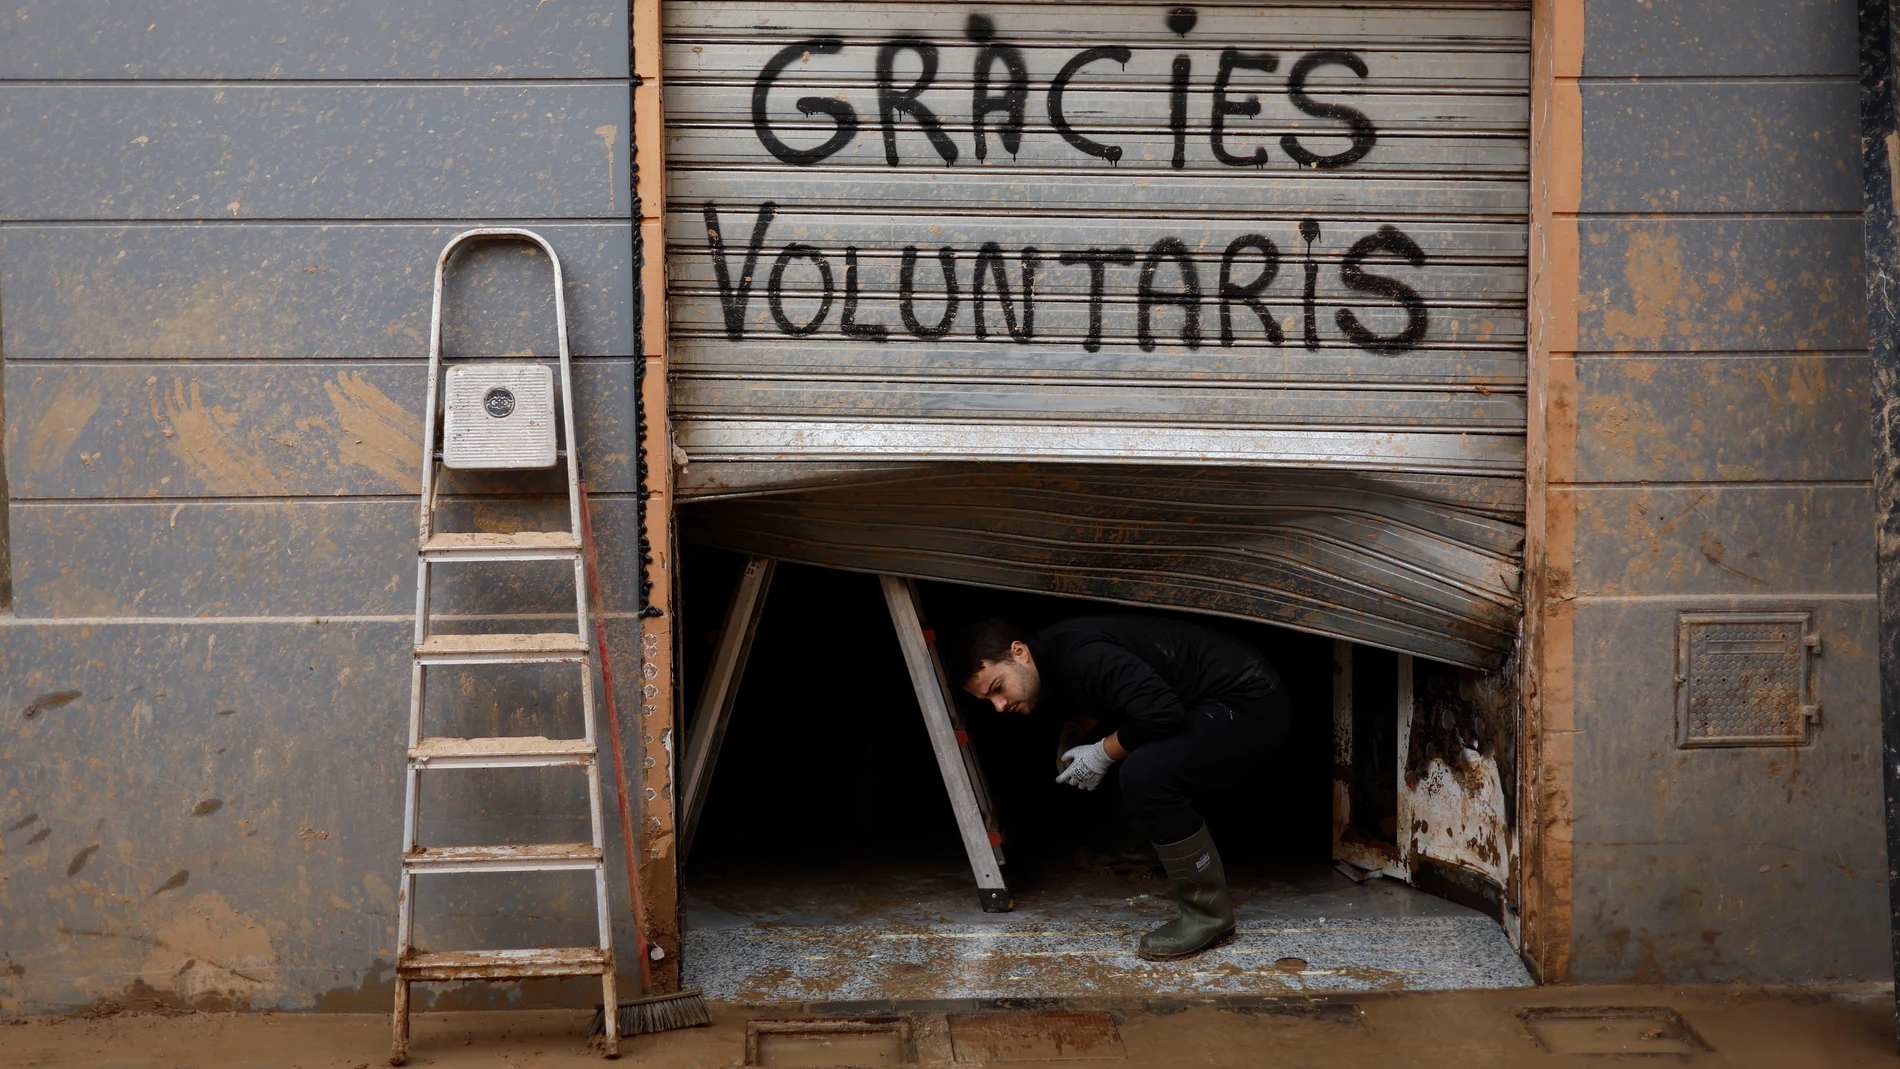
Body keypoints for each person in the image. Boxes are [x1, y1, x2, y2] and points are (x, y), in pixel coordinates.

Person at [946, 614, 1290, 960]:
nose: (999, 706)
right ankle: (1143, 845)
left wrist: (1100, 753)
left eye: (997, 688)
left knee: (1145, 772)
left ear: (1018, 652)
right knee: (1123, 742)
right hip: (1201, 700)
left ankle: (1209, 916)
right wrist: (1075, 732)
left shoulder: (1082, 653)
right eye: (987, 700)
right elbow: (1107, 694)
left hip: (1250, 701)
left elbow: (1162, 713)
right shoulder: (1049, 654)